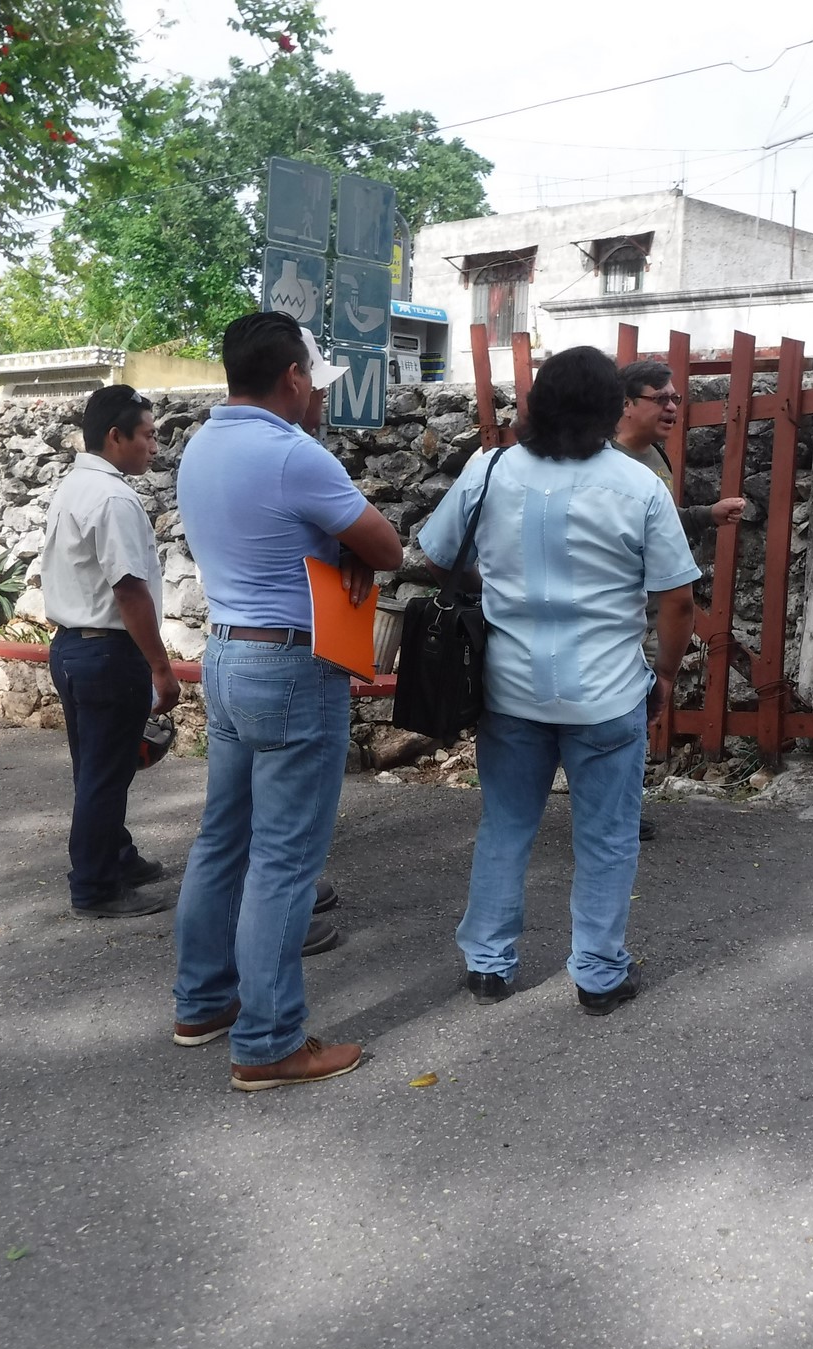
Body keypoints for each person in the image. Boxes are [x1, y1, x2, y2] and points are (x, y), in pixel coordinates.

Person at [419, 346, 699, 1015]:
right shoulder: (638, 486)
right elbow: (677, 599)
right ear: (612, 407)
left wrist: (499, 585)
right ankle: (598, 973)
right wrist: (663, 673)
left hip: (509, 688)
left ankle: (488, 964)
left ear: (536, 402)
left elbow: (435, 554)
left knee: (505, 825)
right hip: (607, 692)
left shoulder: (489, 469)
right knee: (607, 836)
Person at [169, 314, 404, 1092]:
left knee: (222, 840)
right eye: (316, 382)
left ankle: (203, 1003)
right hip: (292, 666)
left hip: (226, 653)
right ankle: (269, 1042)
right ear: (293, 377)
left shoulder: (201, 445)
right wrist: (349, 551)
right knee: (284, 860)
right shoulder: (293, 454)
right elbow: (386, 546)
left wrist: (330, 548)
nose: (320, 398)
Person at [41, 385, 181, 919]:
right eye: (147, 435)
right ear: (115, 436)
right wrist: (161, 668)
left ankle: (116, 857)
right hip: (106, 652)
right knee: (105, 773)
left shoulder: (74, 486)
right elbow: (128, 589)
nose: (154, 446)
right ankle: (95, 886)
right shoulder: (113, 498)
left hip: (72, 647)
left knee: (97, 768)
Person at [613, 359, 744, 841]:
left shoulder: (655, 457)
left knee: (637, 717)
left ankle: (621, 810)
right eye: (660, 398)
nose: (672, 407)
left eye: (675, 398)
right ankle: (610, 814)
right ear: (627, 404)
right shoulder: (607, 462)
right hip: (620, 616)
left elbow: (663, 522)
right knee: (620, 717)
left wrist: (707, 514)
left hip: (651, 612)